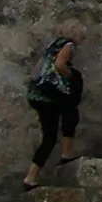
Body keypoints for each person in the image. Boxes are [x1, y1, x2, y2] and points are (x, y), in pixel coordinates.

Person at [23, 33, 84, 189]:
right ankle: (66, 153)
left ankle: (31, 177)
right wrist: (72, 76)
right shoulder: (69, 45)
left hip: (38, 94)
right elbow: (59, 65)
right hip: (50, 96)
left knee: (50, 135)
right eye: (83, 36)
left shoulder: (53, 45)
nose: (83, 39)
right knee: (68, 117)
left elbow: (39, 69)